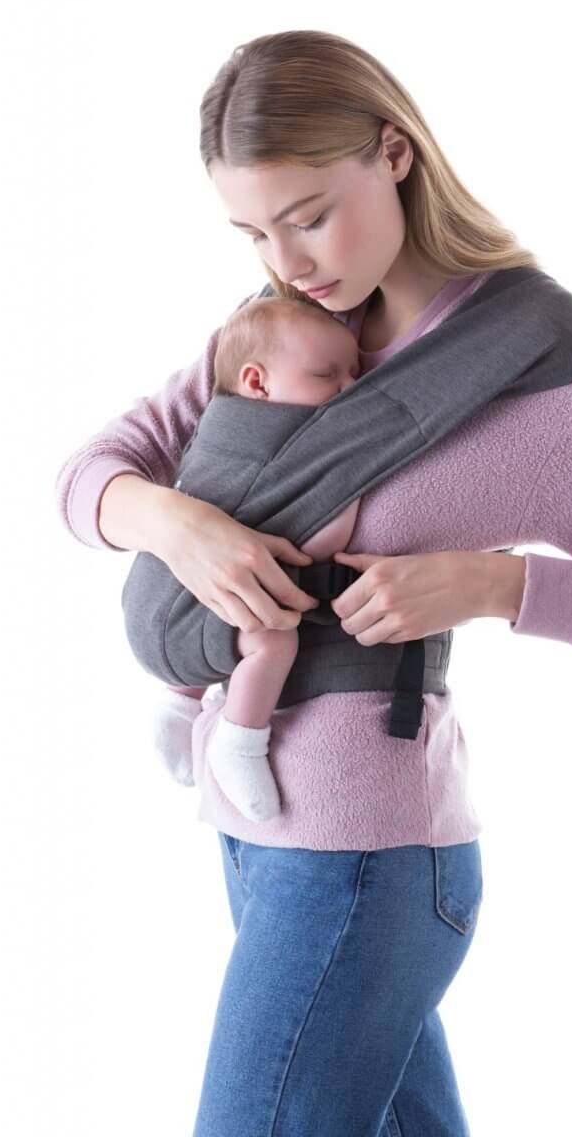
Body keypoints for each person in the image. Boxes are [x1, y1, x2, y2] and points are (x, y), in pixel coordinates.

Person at [54, 29, 572, 1136]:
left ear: (394, 153)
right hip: (251, 829)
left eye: (308, 216)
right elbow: (90, 474)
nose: (288, 259)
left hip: (363, 855)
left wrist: (496, 585)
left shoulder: (540, 361)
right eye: (254, 231)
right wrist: (176, 522)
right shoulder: (293, 329)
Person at [153, 294, 365, 823]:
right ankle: (240, 738)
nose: (350, 389)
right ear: (256, 382)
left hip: (166, 610)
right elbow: (314, 534)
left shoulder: (220, 423)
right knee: (272, 637)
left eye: (355, 374)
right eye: (327, 375)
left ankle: (180, 703)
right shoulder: (267, 438)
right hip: (172, 595)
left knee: (223, 605)